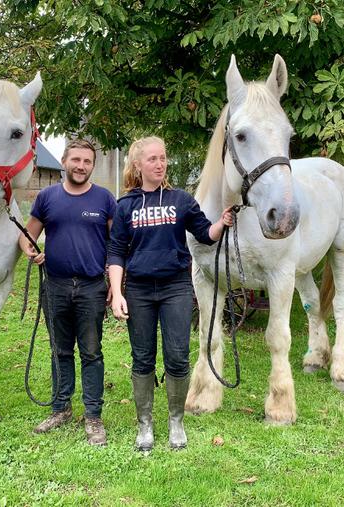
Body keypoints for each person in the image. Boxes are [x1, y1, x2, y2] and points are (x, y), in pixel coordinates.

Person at [107, 136, 233, 451]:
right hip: (138, 289)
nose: (160, 164)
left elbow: (205, 235)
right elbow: (116, 252)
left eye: (163, 158)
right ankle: (145, 424)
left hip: (175, 287)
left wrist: (222, 222)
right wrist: (116, 292)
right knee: (143, 357)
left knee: (177, 357)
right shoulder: (126, 205)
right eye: (152, 159)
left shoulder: (181, 200)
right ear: (138, 165)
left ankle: (176, 421)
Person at [18, 139, 116, 446]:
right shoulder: (48, 197)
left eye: (87, 161)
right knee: (60, 350)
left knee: (91, 352)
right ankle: (60, 409)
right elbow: (27, 235)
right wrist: (30, 251)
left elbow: (116, 244)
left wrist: (116, 284)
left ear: (92, 166)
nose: (81, 166)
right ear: (64, 161)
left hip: (91, 287)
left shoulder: (104, 199)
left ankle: (93, 416)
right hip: (56, 286)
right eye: (76, 159)